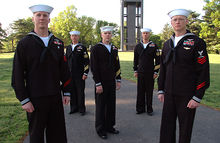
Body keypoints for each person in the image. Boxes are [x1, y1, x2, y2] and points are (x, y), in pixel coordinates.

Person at [11, 4, 72, 143]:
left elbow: (64, 70)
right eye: (38, 15)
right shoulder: (24, 44)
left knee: (58, 135)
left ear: (49, 19)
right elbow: (17, 74)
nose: (42, 18)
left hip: (55, 97)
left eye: (45, 15)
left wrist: (67, 92)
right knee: (36, 135)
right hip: (35, 98)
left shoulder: (58, 43)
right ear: (33, 18)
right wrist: (24, 99)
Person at [157, 9, 210, 143]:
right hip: (169, 93)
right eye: (175, 19)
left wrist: (197, 97)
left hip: (187, 95)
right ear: (171, 23)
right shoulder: (167, 44)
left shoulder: (197, 42)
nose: (178, 22)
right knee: (166, 127)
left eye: (181, 19)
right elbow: (163, 68)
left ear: (186, 21)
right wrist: (161, 89)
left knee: (185, 130)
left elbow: (203, 70)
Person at [90, 26, 121, 139]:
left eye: (109, 33)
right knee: (101, 106)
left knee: (111, 105)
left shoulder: (114, 48)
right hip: (101, 83)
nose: (107, 35)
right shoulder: (96, 48)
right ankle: (100, 129)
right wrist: (97, 83)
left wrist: (118, 79)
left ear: (111, 35)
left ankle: (109, 126)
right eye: (105, 33)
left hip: (111, 82)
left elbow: (117, 65)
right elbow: (94, 67)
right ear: (101, 34)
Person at [133, 28, 160, 115]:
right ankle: (140, 109)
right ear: (141, 34)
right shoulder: (138, 46)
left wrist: (156, 72)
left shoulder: (154, 46)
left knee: (149, 91)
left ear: (149, 34)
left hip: (150, 72)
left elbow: (158, 60)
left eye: (147, 33)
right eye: (144, 33)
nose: (145, 34)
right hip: (140, 72)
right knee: (140, 91)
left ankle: (149, 109)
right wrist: (135, 70)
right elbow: (135, 60)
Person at [65, 30, 89, 116]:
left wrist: (85, 73)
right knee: (72, 91)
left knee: (80, 91)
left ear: (78, 37)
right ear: (70, 37)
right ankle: (73, 108)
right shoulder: (68, 48)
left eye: (75, 36)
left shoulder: (82, 47)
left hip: (80, 74)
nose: (74, 37)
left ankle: (81, 109)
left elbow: (86, 61)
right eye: (72, 36)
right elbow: (66, 60)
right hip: (70, 74)